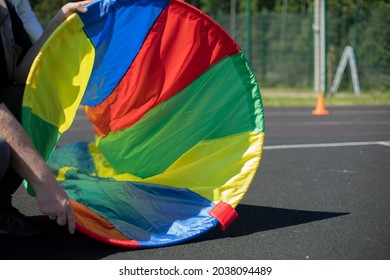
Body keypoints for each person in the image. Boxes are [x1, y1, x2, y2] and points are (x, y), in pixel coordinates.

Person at [0, 0, 93, 236]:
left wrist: (58, 19)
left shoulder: (6, 10)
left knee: (31, 102)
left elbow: (22, 73)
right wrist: (45, 184)